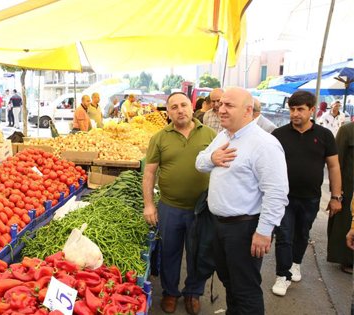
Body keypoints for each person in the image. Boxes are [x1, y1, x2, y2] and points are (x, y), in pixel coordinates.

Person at [195, 87, 289, 315]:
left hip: (244, 228)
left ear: (248, 111)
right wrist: (212, 157)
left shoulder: (263, 144)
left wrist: (264, 231)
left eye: (229, 105)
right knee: (229, 281)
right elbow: (199, 163)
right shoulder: (224, 136)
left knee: (246, 289)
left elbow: (276, 193)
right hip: (219, 225)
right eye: (220, 104)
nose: (221, 109)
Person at [143, 92, 216, 315]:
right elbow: (149, 173)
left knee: (198, 253)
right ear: (168, 112)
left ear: (192, 107)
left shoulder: (211, 134)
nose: (179, 110)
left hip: (202, 208)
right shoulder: (159, 137)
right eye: (173, 107)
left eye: (183, 105)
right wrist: (149, 205)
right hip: (170, 206)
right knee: (170, 252)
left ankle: (193, 292)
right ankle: (170, 292)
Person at [270, 90, 342, 296]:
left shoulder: (325, 135)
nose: (295, 114)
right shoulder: (278, 135)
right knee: (284, 235)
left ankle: (295, 263)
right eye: (292, 109)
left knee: (302, 233)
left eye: (300, 109)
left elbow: (334, 166)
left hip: (310, 198)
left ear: (311, 110)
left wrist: (336, 197)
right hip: (283, 197)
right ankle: (282, 275)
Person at [328, 122, 354, 273]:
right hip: (349, 188)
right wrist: (336, 193)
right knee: (345, 223)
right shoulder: (347, 130)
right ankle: (347, 260)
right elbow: (336, 164)